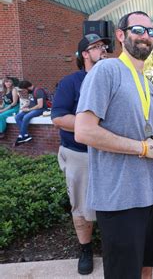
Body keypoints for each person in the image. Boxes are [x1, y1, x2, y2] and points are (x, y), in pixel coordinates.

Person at [75, 11, 153, 279]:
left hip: (150, 197)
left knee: (146, 269)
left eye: (151, 32)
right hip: (118, 200)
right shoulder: (106, 71)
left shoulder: (149, 86)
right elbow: (83, 131)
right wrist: (142, 148)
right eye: (139, 30)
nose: (146, 37)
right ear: (121, 35)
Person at [51, 33, 110, 275]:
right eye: (96, 47)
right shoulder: (71, 82)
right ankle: (85, 248)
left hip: (111, 153)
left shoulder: (112, 80)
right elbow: (58, 117)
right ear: (84, 54)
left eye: (104, 46)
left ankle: (111, 244)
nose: (103, 50)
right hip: (80, 155)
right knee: (82, 206)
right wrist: (90, 124)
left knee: (111, 204)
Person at [14, 80, 48, 145]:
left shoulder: (38, 91)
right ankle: (26, 135)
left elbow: (40, 105)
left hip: (41, 109)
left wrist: (29, 110)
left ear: (27, 87)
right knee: (17, 117)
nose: (24, 91)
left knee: (26, 117)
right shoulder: (31, 91)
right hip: (31, 109)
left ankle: (21, 136)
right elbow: (31, 101)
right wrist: (25, 106)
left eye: (24, 90)